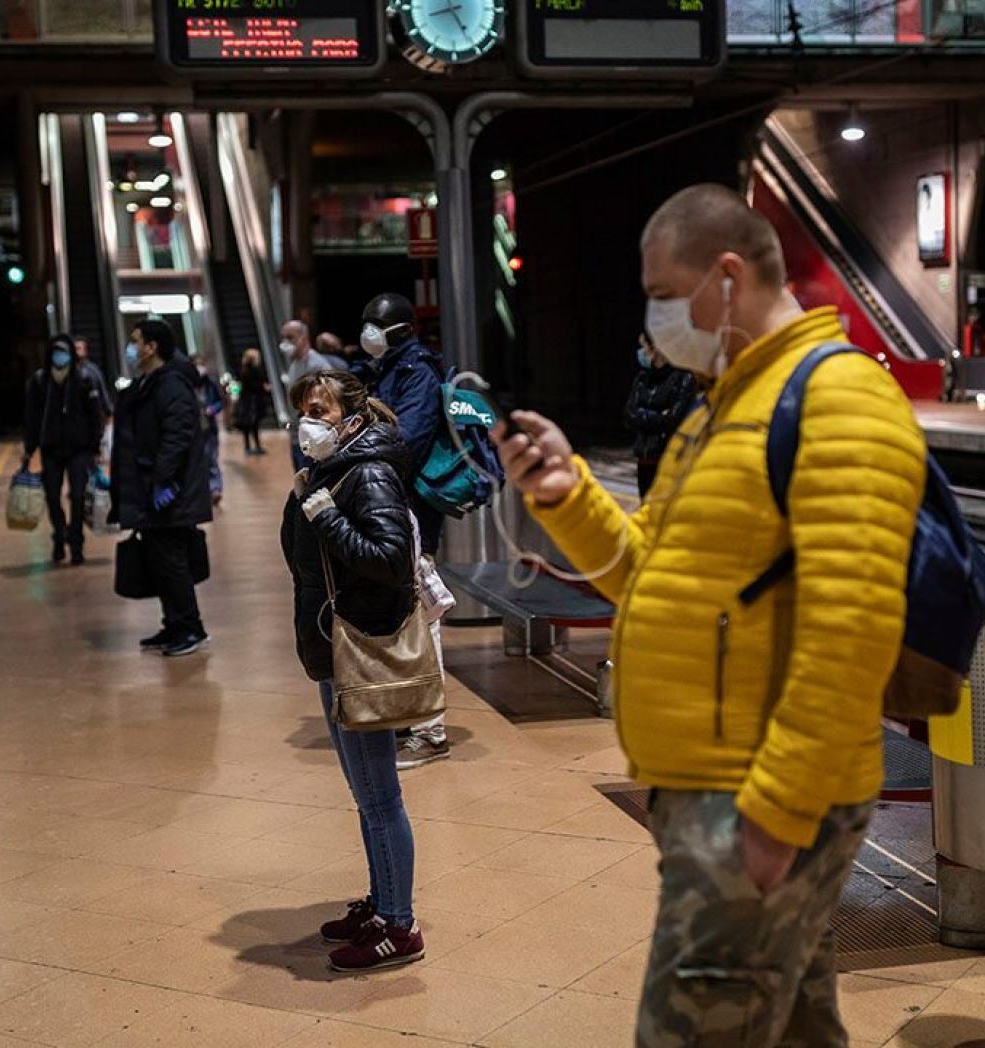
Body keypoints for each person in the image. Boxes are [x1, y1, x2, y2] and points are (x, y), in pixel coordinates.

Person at [492, 184, 927, 1048]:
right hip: (715, 788)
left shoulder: (838, 402)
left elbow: (854, 628)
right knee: (796, 1027)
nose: (654, 316)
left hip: (756, 800)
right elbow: (650, 572)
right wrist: (567, 494)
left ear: (726, 277)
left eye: (662, 292)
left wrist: (775, 813)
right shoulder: (723, 407)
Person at [279, 369, 425, 972]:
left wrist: (323, 514)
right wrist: (308, 498)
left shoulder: (365, 472)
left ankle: (400, 925)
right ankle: (382, 901)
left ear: (353, 416)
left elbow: (390, 560)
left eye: (319, 409)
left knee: (380, 796)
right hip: (332, 646)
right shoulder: (332, 469)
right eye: (304, 410)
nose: (308, 420)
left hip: (356, 645)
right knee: (365, 796)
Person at [352, 292, 452, 770]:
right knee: (405, 611)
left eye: (376, 323)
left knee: (425, 615)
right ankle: (411, 717)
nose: (367, 331)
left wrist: (358, 449)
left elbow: (405, 440)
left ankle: (431, 732)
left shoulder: (418, 374)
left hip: (412, 509)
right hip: (389, 505)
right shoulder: (385, 370)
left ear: (400, 329)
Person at [112, 317, 213, 658]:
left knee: (172, 561)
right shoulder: (152, 383)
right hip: (152, 490)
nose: (132, 346)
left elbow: (177, 436)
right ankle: (174, 623)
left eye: (136, 340)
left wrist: (162, 480)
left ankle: (190, 627)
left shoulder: (171, 385)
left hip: (172, 493)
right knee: (159, 559)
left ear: (152, 347)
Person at [23, 334, 110, 565]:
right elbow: (31, 417)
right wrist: (29, 447)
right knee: (52, 496)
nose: (60, 357)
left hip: (79, 449)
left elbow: (95, 416)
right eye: (55, 352)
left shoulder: (84, 379)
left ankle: (76, 543)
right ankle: (59, 535)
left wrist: (95, 444)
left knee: (79, 496)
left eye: (63, 352)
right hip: (50, 449)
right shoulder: (40, 382)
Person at [623, 333, 701, 499]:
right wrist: (657, 415)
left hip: (669, 459)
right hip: (644, 458)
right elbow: (629, 415)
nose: (641, 353)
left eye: (644, 347)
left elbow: (672, 420)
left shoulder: (683, 378)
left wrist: (643, 415)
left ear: (657, 349)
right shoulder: (642, 378)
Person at [280, 319, 348, 469]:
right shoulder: (295, 364)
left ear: (303, 338)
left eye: (290, 337)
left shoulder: (317, 365)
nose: (285, 342)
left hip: (314, 439)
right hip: (297, 436)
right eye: (283, 338)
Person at [195, 357, 228, 506]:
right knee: (200, 459)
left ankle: (215, 489)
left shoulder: (210, 384)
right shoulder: (188, 385)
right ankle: (204, 489)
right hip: (195, 430)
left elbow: (220, 401)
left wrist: (213, 409)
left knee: (212, 458)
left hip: (209, 427)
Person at [232, 347, 271, 456]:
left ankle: (249, 447)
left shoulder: (244, 370)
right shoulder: (253, 370)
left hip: (247, 401)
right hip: (252, 401)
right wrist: (263, 387)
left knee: (249, 425)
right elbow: (254, 385)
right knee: (253, 424)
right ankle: (254, 447)